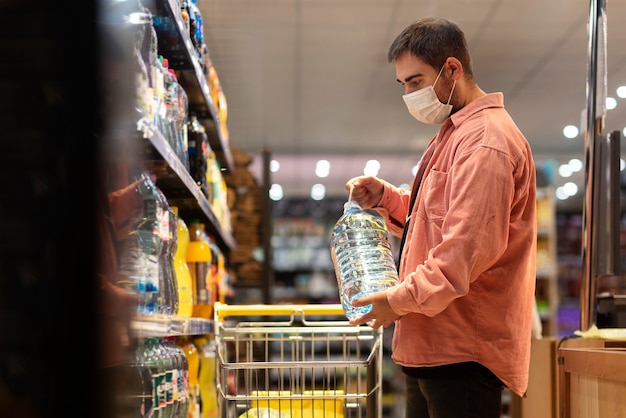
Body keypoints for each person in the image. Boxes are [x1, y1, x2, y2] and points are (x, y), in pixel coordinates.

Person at [346, 17, 537, 418]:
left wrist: (395, 302)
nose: (409, 94)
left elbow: (461, 256)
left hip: (462, 351)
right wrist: (386, 198)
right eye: (403, 86)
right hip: (431, 345)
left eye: (416, 81)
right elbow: (433, 221)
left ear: (452, 69)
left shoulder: (487, 142)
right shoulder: (455, 133)